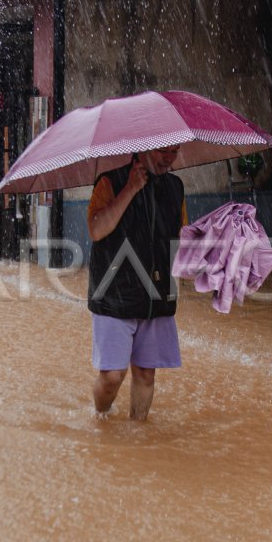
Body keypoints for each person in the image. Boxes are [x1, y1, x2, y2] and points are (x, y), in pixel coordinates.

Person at [86, 145, 187, 420]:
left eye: (174, 152)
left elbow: (181, 240)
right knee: (112, 376)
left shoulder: (175, 187)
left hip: (157, 295)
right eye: (163, 151)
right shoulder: (110, 182)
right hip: (114, 293)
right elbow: (96, 230)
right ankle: (100, 417)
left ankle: (137, 434)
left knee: (145, 372)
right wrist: (131, 188)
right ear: (144, 149)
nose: (169, 158)